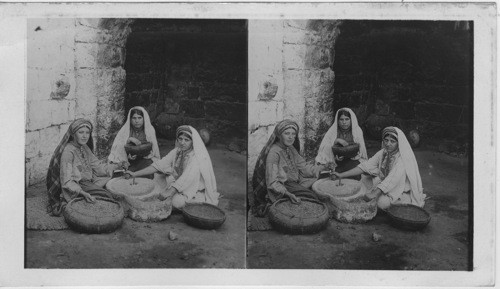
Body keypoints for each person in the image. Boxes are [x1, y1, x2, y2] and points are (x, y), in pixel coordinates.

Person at [124, 125, 219, 209]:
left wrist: (170, 192)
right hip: (177, 182)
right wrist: (134, 174)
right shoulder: (177, 151)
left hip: (192, 188)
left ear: (192, 141)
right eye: (180, 139)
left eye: (186, 140)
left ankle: (190, 202)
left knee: (176, 202)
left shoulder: (196, 158)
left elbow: (186, 178)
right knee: (157, 179)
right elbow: (159, 165)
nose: (182, 142)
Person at [332, 126, 426, 210]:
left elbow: (392, 179)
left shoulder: (402, 159)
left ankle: (404, 200)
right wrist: (341, 175)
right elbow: (366, 166)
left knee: (381, 203)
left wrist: (375, 193)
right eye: (386, 140)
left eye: (392, 141)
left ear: (399, 143)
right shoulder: (383, 152)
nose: (388, 144)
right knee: (362, 183)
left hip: (398, 188)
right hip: (383, 182)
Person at [46, 118, 123, 216]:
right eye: (81, 132)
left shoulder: (84, 147)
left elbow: (97, 166)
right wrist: (82, 193)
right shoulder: (68, 152)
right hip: (76, 185)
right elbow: (66, 181)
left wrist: (117, 166)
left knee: (116, 178)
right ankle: (69, 202)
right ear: (73, 134)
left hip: (88, 180)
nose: (84, 136)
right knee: (106, 196)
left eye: (87, 132)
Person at [251, 119, 326, 217]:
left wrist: (320, 168)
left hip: (293, 182)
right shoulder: (274, 153)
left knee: (320, 181)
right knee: (311, 197)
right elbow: (272, 182)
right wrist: (288, 194)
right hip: (282, 187)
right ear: (279, 135)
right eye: (287, 133)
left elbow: (303, 167)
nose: (291, 137)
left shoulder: (290, 148)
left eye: (293, 134)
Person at [108, 106, 160, 178]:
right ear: (130, 119)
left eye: (139, 118)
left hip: (144, 160)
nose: (137, 121)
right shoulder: (125, 131)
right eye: (134, 118)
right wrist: (129, 140)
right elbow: (119, 150)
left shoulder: (149, 130)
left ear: (144, 119)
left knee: (145, 177)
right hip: (129, 162)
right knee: (124, 177)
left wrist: (141, 152)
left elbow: (153, 150)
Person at [315, 107, 367, 180]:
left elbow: (361, 151)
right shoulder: (332, 132)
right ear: (337, 120)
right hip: (335, 161)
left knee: (354, 176)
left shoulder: (356, 131)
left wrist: (349, 154)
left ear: (351, 120)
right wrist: (336, 141)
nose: (344, 122)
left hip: (352, 160)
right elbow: (325, 148)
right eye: (341, 119)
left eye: (347, 119)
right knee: (329, 177)